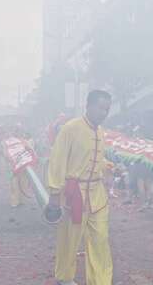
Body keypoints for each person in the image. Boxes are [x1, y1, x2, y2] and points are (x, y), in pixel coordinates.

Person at [45, 90, 113, 285]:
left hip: (97, 195)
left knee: (101, 239)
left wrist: (107, 166)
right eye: (100, 108)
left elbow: (97, 159)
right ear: (88, 105)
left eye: (107, 109)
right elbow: (57, 161)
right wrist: (55, 194)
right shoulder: (70, 128)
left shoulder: (101, 132)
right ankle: (65, 278)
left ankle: (101, 281)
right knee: (70, 239)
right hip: (74, 194)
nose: (104, 113)